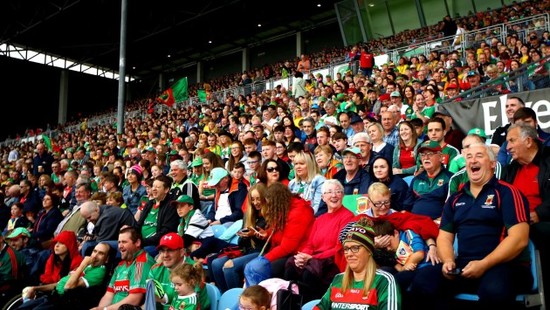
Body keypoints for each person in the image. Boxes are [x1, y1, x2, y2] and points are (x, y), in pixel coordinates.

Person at [413, 143, 532, 309]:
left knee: (494, 290)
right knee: (423, 281)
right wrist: (448, 261)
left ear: (492, 163)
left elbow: (519, 239)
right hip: (465, 267)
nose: (472, 160)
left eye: (479, 156)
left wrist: (484, 264)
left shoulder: (508, 193)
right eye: (469, 157)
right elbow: (444, 238)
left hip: (506, 267)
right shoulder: (455, 199)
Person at [501, 123, 550, 300]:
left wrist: (538, 214)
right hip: (514, 222)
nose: (508, 147)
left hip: (541, 221)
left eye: (512, 141)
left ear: (529, 141)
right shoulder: (510, 170)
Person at [284, 179, 355, 302]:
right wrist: (303, 256)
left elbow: (340, 247)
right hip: (314, 260)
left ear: (342, 195)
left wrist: (312, 258)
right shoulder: (320, 219)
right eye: (329, 192)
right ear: (323, 197)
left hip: (333, 261)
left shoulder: (348, 217)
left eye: (338, 192)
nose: (334, 195)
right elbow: (310, 244)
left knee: (309, 273)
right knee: (291, 265)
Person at [315, 217, 401, 309]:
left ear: (369, 251)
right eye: (346, 249)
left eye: (355, 248)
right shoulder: (338, 279)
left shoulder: (384, 281)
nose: (349, 254)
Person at [244, 182, 314, 285]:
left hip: (296, 254)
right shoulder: (284, 208)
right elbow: (277, 230)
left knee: (255, 268)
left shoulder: (298, 212)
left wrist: (265, 259)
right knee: (250, 267)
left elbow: (287, 247)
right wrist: (267, 234)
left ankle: (258, 299)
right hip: (284, 251)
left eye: (270, 203)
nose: (269, 207)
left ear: (277, 201)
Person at [209, 184, 268, 293]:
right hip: (246, 250)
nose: (255, 203)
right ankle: (225, 295)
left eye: (258, 199)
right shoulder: (249, 215)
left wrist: (254, 235)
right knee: (216, 263)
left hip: (261, 251)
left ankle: (239, 298)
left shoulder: (269, 216)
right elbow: (241, 244)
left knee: (229, 266)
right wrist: (243, 236)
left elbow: (268, 243)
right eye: (253, 199)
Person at [18, 242, 111, 309]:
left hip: (62, 303)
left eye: (101, 253)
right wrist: (35, 288)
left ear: (106, 259)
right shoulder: (88, 266)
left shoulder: (99, 271)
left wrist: (83, 265)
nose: (95, 256)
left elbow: (68, 287)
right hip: (52, 297)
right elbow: (59, 284)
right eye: (95, 251)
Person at [92, 226, 155, 310]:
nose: (120, 246)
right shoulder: (120, 266)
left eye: (124, 242)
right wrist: (100, 308)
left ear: (137, 243)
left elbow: (134, 300)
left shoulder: (142, 263)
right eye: (119, 242)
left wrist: (105, 309)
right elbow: (109, 294)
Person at [148, 233, 209, 310]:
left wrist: (163, 299)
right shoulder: (155, 269)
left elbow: (191, 303)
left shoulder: (194, 269)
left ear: (182, 252)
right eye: (162, 251)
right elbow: (149, 301)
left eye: (170, 250)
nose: (165, 255)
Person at [408, 140, 453, 221]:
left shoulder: (450, 179)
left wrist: (443, 219)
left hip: (438, 224)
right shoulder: (416, 179)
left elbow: (454, 206)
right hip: (414, 223)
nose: (426, 158)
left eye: (430, 154)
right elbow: (407, 205)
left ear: (440, 157)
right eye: (423, 155)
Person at [136, 175, 179, 257]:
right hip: (140, 242)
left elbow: (165, 231)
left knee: (134, 254)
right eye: (153, 186)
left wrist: (142, 242)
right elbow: (138, 224)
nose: (154, 189)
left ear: (166, 190)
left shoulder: (171, 206)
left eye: (158, 187)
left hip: (155, 245)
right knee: (107, 246)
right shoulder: (149, 204)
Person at [288, 150, 326, 216]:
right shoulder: (292, 183)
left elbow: (317, 207)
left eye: (302, 164)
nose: (298, 167)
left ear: (310, 165)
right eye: (296, 164)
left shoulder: (319, 180)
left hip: (312, 219)